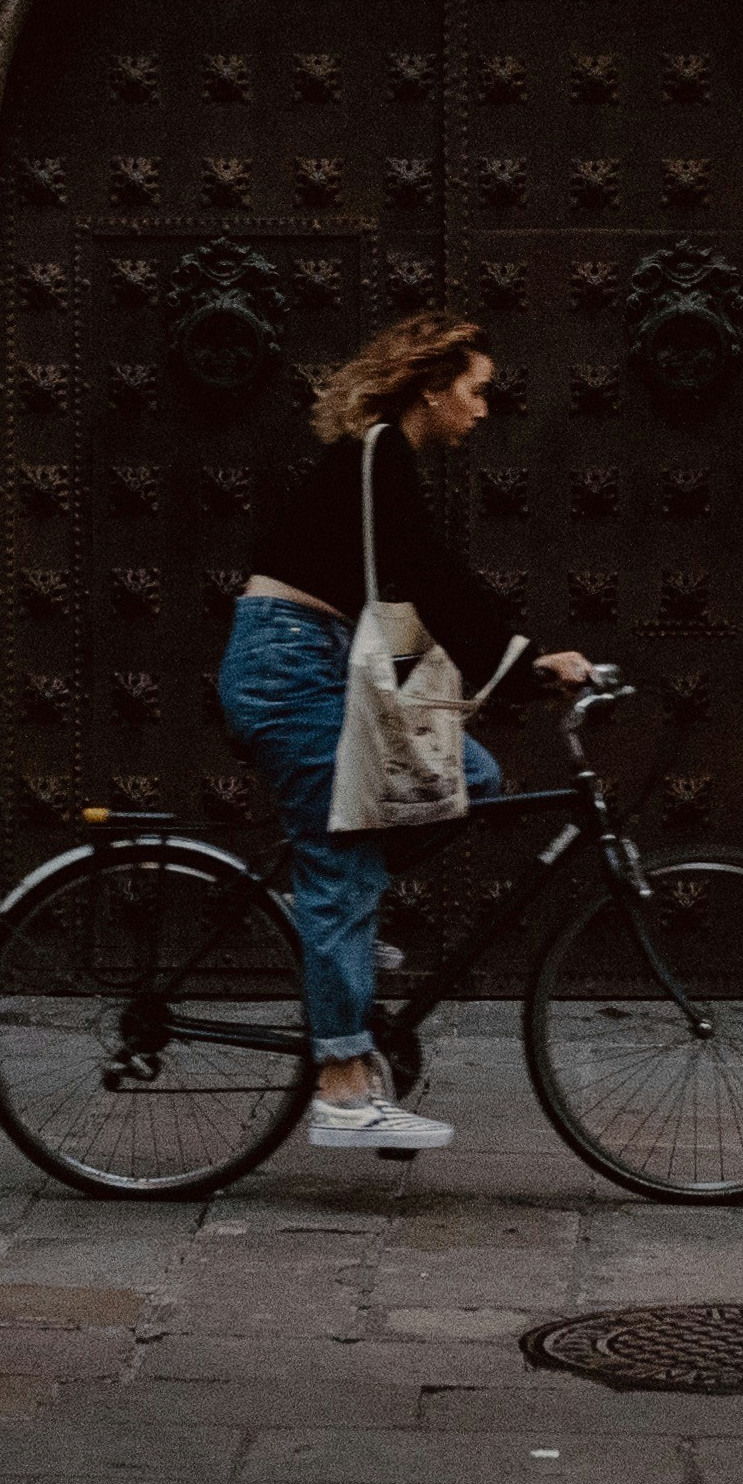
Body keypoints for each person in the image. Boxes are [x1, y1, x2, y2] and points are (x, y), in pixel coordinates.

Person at [215, 310, 587, 1155]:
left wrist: (514, 664)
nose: (484, 409)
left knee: (475, 781)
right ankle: (345, 1089)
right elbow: (426, 579)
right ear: (431, 388)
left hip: (316, 655)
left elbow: (418, 590)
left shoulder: (384, 462)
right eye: (476, 391)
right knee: (343, 869)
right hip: (290, 665)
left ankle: (320, 918)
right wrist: (528, 661)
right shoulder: (381, 452)